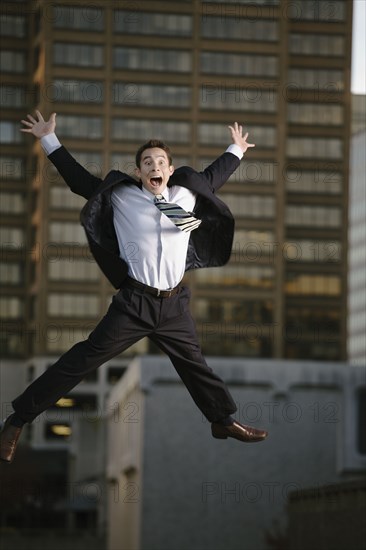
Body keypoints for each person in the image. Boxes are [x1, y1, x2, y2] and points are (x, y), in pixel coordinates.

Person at [0, 111, 268, 463]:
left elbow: (214, 176)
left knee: (197, 367)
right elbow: (80, 181)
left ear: (169, 170)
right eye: (147, 162)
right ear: (139, 171)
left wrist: (237, 149)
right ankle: (17, 419)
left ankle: (222, 421)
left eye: (160, 162)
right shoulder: (122, 197)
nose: (154, 166)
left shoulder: (186, 196)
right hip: (135, 303)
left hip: (173, 305)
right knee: (80, 361)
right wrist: (49, 140)